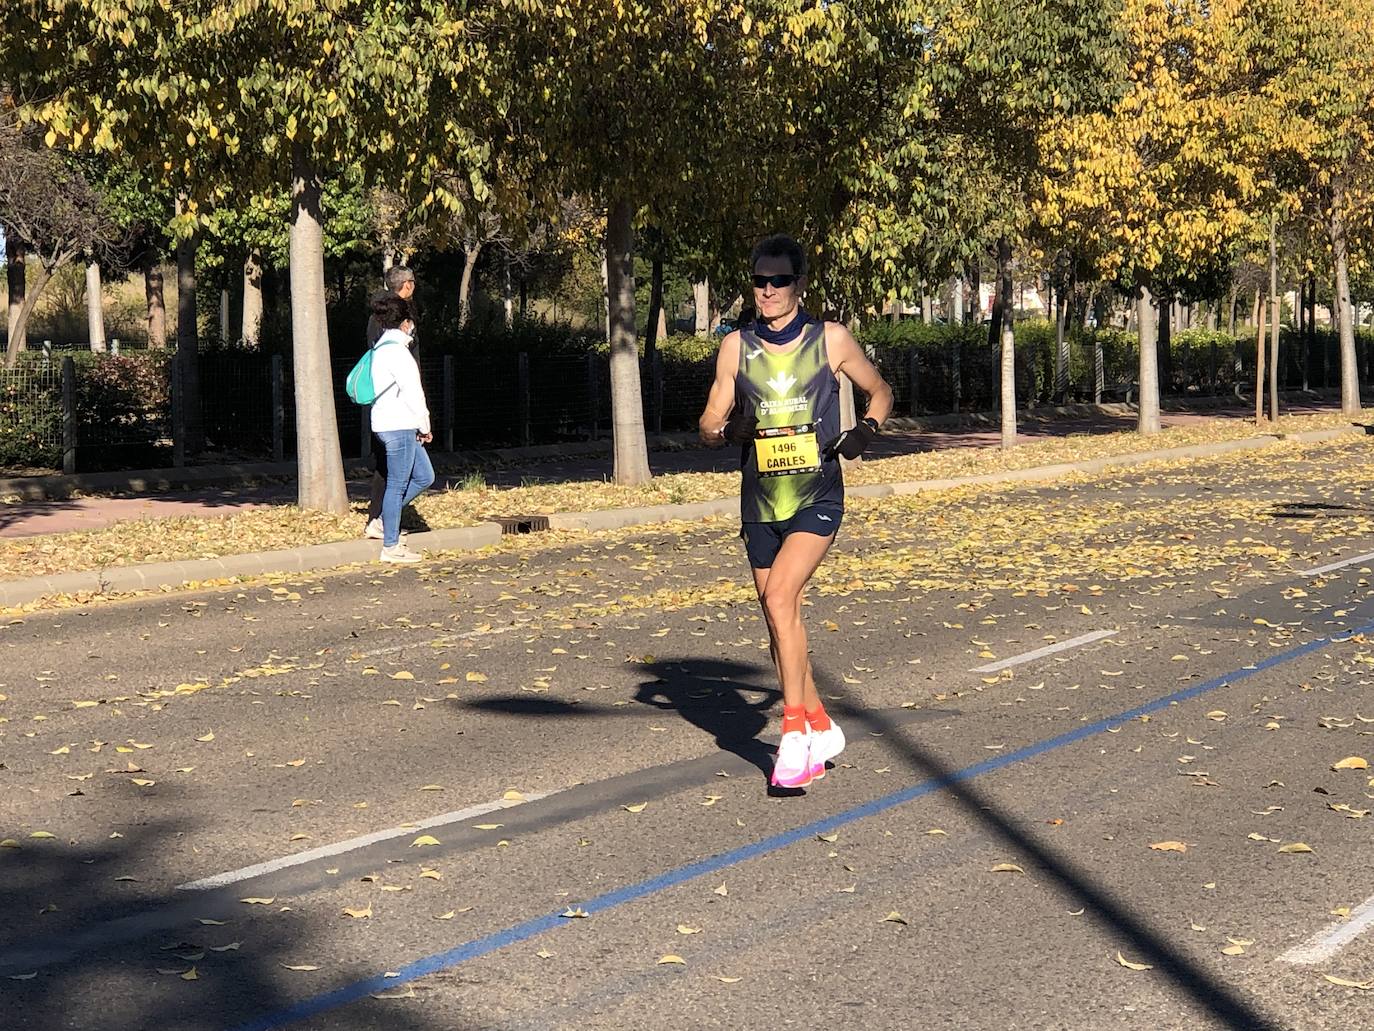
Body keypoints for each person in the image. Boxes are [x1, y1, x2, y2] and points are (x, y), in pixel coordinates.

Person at [698, 234, 893, 789]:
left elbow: (880, 391)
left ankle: (793, 737)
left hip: (817, 496)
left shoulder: (829, 339)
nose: (768, 290)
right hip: (760, 500)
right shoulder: (736, 346)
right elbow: (709, 422)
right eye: (760, 280)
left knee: (781, 596)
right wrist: (725, 429)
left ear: (799, 285)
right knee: (777, 618)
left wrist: (866, 432)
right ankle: (822, 722)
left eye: (779, 280)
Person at [366, 292, 434, 564]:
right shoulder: (399, 353)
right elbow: (414, 393)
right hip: (400, 425)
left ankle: (383, 521)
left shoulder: (380, 348)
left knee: (424, 476)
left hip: (386, 423)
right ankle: (390, 546)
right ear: (406, 323)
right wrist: (424, 425)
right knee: (397, 485)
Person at [364, 266, 420, 539]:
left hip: (394, 408)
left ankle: (384, 518)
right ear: (406, 285)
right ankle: (382, 523)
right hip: (396, 409)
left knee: (404, 471)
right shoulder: (391, 318)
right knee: (392, 472)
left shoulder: (384, 313)